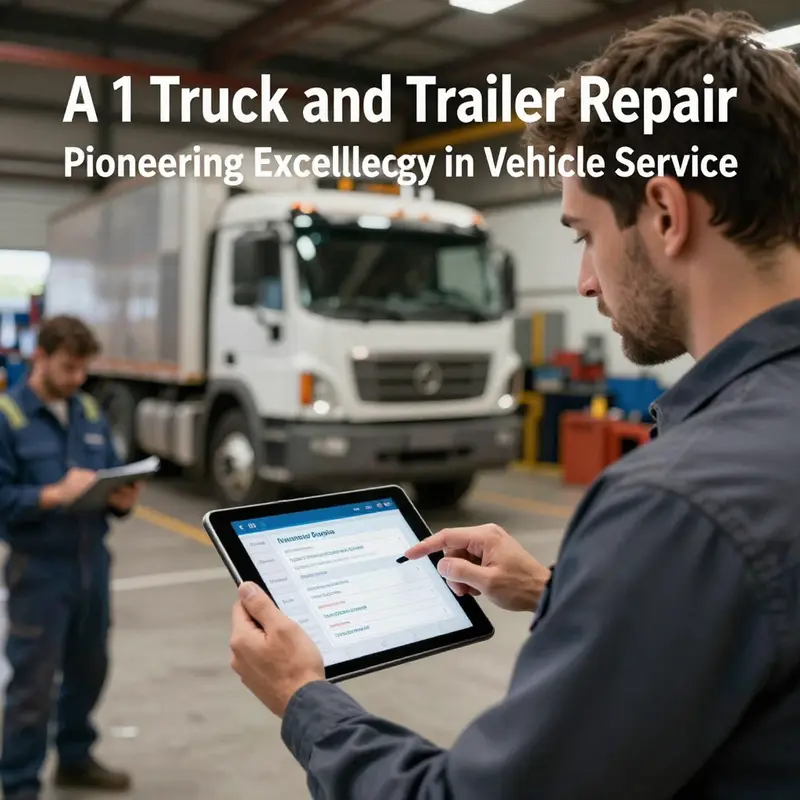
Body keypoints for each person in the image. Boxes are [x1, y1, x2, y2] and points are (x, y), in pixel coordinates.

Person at [227, 9, 800, 799]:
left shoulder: (680, 503)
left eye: (583, 234)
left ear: (666, 215)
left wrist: (302, 697)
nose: (585, 282)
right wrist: (559, 590)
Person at [0, 315, 141, 800]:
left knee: (89, 669)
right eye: (66, 368)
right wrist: (53, 494)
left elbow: (107, 475)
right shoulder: (8, 416)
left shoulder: (86, 410)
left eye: (83, 369)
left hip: (91, 564)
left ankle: (75, 760)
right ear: (39, 356)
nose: (77, 379)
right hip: (38, 569)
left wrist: (120, 498)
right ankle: (19, 784)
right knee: (32, 685)